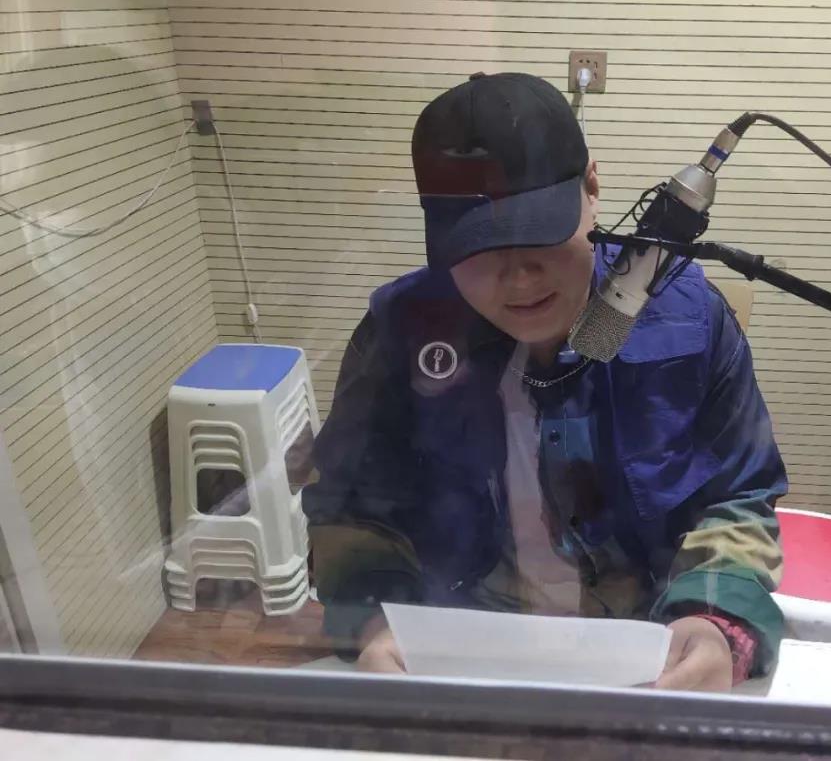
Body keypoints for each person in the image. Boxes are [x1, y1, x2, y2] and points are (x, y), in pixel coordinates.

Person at [303, 72, 788, 692]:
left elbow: (739, 495)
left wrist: (715, 623)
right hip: (462, 648)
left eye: (540, 231)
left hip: (648, 646)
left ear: (592, 189)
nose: (518, 278)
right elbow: (351, 511)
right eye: (476, 246)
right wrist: (378, 626)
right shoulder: (401, 333)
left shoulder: (693, 320)